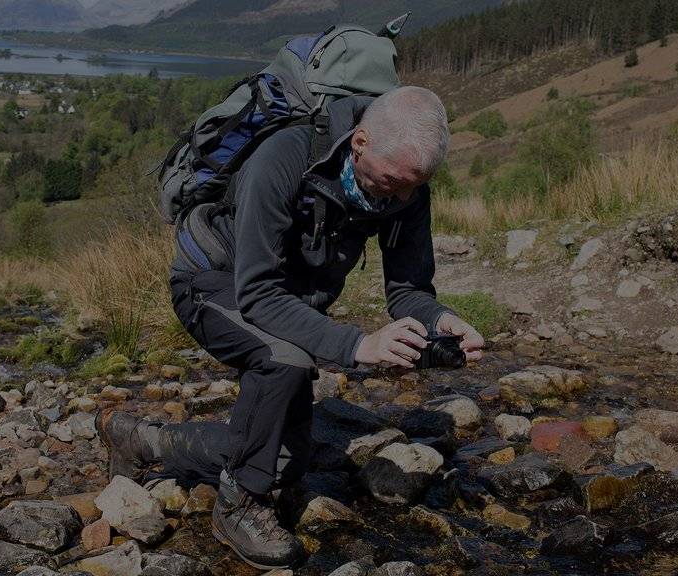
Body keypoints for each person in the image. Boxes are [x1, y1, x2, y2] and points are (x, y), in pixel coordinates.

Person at [98, 86, 485, 570]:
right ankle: (237, 506)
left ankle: (141, 440)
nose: (400, 196)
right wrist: (357, 344)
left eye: (412, 186)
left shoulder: (406, 190)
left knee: (285, 464)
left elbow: (408, 291)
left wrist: (439, 318)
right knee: (286, 362)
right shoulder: (284, 157)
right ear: (360, 142)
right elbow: (257, 292)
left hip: (282, 300)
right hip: (214, 284)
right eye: (393, 181)